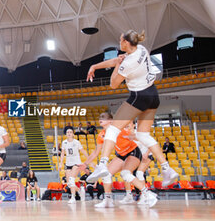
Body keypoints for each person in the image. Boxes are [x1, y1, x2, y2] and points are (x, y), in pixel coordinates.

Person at [86, 29, 178, 187]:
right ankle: (167, 169)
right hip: (153, 95)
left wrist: (118, 66)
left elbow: (113, 84)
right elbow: (118, 60)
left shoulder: (128, 63)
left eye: (121, 40)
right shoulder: (142, 49)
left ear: (126, 43)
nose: (119, 42)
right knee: (143, 135)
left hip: (139, 96)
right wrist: (95, 66)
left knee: (113, 129)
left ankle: (102, 164)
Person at [82, 113, 157, 208]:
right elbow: (96, 152)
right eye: (100, 117)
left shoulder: (120, 130)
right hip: (121, 155)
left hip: (133, 152)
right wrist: (85, 164)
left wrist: (146, 150)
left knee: (126, 173)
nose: (101, 119)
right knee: (106, 174)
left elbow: (140, 137)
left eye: (104, 117)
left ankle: (148, 195)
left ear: (111, 121)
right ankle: (108, 200)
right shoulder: (101, 135)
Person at [59, 128, 89, 204]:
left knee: (72, 180)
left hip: (76, 162)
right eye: (67, 132)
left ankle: (73, 197)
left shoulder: (77, 142)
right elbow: (62, 153)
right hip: (68, 163)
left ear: (73, 134)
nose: (69, 133)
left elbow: (83, 151)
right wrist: (60, 163)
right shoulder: (64, 142)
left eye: (70, 132)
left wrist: (89, 159)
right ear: (66, 134)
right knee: (69, 183)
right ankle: (79, 190)